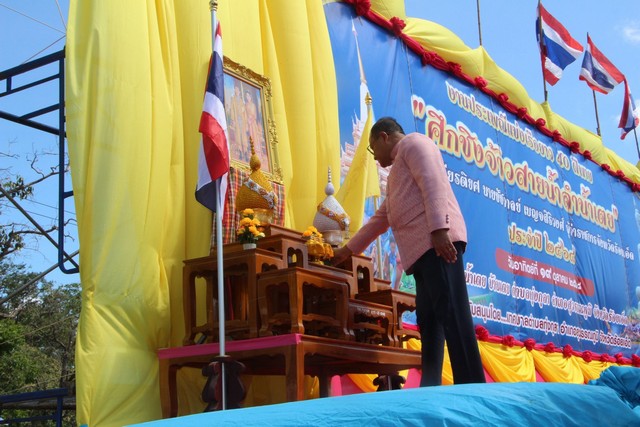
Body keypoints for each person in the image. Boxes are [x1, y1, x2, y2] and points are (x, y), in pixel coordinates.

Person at [333, 117, 485, 386]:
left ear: (384, 137)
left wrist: (439, 229)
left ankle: (472, 386)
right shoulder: (396, 173)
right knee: (429, 319)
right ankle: (430, 387)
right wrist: (346, 251)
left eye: (373, 149)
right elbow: (379, 221)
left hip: (438, 244)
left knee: (453, 312)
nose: (375, 156)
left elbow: (433, 182)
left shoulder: (414, 143)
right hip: (423, 254)